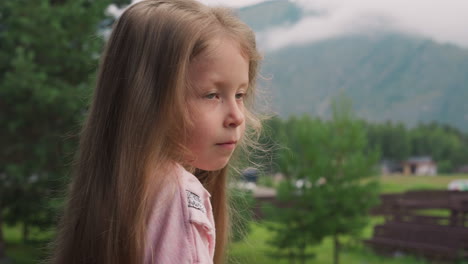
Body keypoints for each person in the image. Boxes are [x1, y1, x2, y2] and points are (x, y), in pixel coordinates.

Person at [49, 0, 262, 263]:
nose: (237, 117)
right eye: (212, 95)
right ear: (147, 101)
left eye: (240, 94)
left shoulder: (115, 195)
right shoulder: (179, 196)